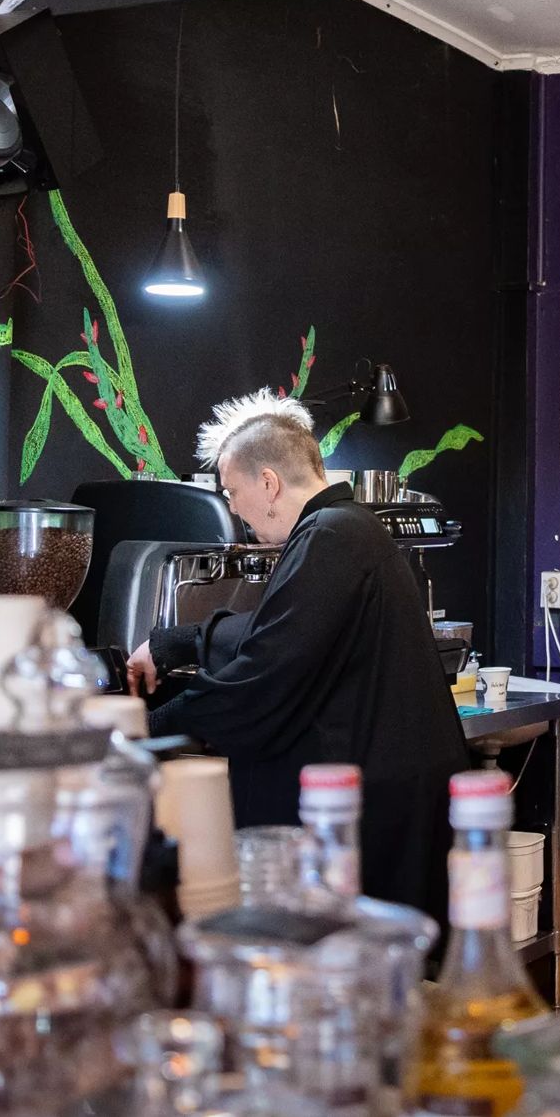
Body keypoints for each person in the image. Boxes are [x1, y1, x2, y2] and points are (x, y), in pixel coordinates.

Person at [129, 389, 469, 918]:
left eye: (233, 492)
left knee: (359, 963)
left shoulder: (330, 537)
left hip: (372, 803)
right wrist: (174, 642)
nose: (235, 509)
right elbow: (275, 627)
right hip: (392, 786)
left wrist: (148, 726)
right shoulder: (345, 527)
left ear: (268, 483)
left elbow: (263, 676)